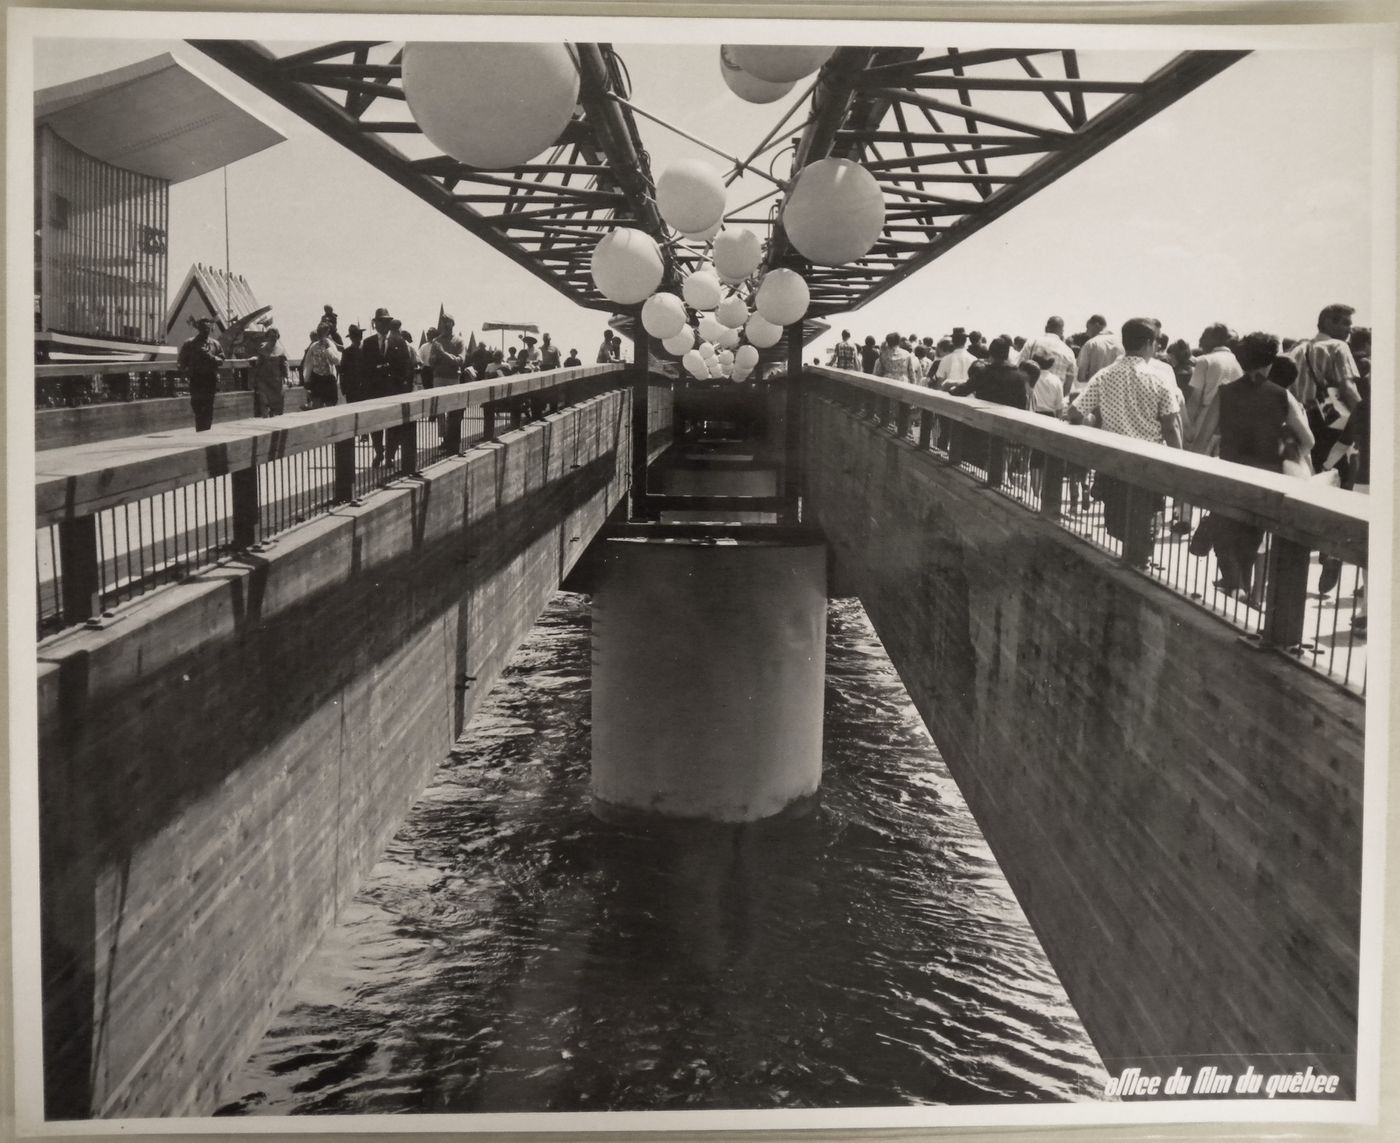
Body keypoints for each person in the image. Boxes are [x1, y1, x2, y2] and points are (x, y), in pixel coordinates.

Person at [1068, 317, 1182, 568]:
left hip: (1114, 463)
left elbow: (1074, 413)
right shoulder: (1159, 379)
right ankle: (1141, 562)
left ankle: (1132, 561)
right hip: (1149, 463)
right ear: (1150, 344)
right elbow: (1171, 427)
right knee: (1146, 519)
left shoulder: (1104, 375)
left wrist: (1095, 428)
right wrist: (1180, 463)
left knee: (1118, 521)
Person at [1210, 332, 1314, 598]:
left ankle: (1236, 588)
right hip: (1267, 480)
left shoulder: (1225, 393)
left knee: (1223, 535)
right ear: (1270, 361)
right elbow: (1309, 441)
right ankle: (1244, 596)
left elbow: (1201, 439)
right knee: (1252, 541)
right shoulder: (1282, 396)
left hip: (1230, 475)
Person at [1288, 303, 1364, 595]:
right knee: (1341, 488)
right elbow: (1347, 389)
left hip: (1304, 426)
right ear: (1328, 323)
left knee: (1312, 485)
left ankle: (1310, 545)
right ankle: (1331, 552)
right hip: (1335, 427)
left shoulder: (1298, 348)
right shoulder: (1338, 349)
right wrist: (1366, 417)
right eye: (1344, 323)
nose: (1348, 329)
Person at [1172, 323, 1243, 534]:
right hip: (1230, 421)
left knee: (1192, 467)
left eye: (1204, 337)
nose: (1201, 341)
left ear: (1214, 339)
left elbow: (1195, 397)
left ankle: (1185, 517)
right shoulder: (1238, 362)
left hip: (1206, 416)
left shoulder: (1205, 361)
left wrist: (1190, 427)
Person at [361, 307, 416, 465]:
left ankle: (390, 455)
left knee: (393, 425)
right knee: (376, 424)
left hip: (394, 391)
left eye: (387, 321)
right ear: (375, 323)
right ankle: (379, 452)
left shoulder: (399, 342)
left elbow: (407, 367)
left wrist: (405, 388)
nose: (384, 324)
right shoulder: (368, 343)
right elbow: (363, 369)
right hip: (375, 392)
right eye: (381, 321)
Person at [178, 316, 224, 431]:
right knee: (197, 404)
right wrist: (184, 373)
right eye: (203, 328)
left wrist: (216, 360)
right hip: (196, 378)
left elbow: (222, 357)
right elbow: (181, 361)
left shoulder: (215, 343)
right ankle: (200, 427)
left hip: (210, 378)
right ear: (199, 329)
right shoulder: (189, 343)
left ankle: (206, 429)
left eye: (208, 329)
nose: (205, 331)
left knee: (209, 405)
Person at [1018, 316, 1077, 395]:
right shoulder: (1069, 352)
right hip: (1053, 402)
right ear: (1062, 332)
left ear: (1046, 328)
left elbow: (1019, 368)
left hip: (1029, 398)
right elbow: (1068, 384)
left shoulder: (1032, 343)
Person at [1073, 314, 1124, 396]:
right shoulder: (1122, 343)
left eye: (1087, 328)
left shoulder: (1091, 344)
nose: (1086, 332)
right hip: (1118, 395)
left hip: (1097, 395)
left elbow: (1081, 377)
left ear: (1096, 325)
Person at [250, 327, 287, 417]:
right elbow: (258, 364)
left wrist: (287, 377)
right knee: (264, 404)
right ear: (267, 337)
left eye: (275, 336)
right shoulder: (262, 348)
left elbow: (284, 365)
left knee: (276, 407)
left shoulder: (281, 350)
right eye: (270, 336)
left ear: (277, 337)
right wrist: (254, 379)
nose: (273, 338)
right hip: (264, 380)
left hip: (276, 381)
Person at [302, 323, 342, 409]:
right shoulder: (313, 346)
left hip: (329, 379)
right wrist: (306, 380)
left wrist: (328, 349)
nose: (320, 334)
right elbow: (308, 363)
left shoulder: (331, 345)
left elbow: (337, 361)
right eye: (318, 332)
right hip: (317, 379)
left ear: (327, 333)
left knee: (330, 407)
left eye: (322, 332)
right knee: (317, 406)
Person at [340, 323, 366, 404]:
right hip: (352, 389)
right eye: (354, 336)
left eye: (358, 335)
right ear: (351, 338)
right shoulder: (347, 352)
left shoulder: (367, 349)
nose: (356, 338)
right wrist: (344, 388)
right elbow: (342, 371)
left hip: (366, 387)